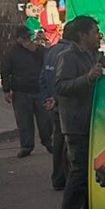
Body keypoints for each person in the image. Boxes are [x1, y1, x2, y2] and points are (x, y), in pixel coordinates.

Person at [55, 16, 105, 209]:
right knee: (78, 176)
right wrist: (88, 78)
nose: (98, 35)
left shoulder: (96, 56)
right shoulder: (68, 57)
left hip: (96, 123)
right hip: (76, 125)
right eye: (94, 32)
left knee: (93, 175)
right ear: (82, 35)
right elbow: (61, 86)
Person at [0, 25, 51, 159]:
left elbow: (48, 59)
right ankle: (26, 146)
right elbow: (5, 71)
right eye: (24, 38)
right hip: (21, 91)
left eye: (28, 38)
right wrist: (6, 90)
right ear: (18, 39)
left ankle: (48, 142)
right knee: (24, 122)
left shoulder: (38, 50)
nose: (27, 41)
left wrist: (36, 50)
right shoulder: (11, 52)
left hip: (39, 90)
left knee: (45, 120)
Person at [39, 27, 72, 190]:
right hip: (67, 107)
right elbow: (66, 83)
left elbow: (42, 77)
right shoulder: (69, 55)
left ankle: (58, 178)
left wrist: (48, 98)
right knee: (69, 146)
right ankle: (67, 179)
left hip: (55, 106)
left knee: (58, 144)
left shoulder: (51, 51)